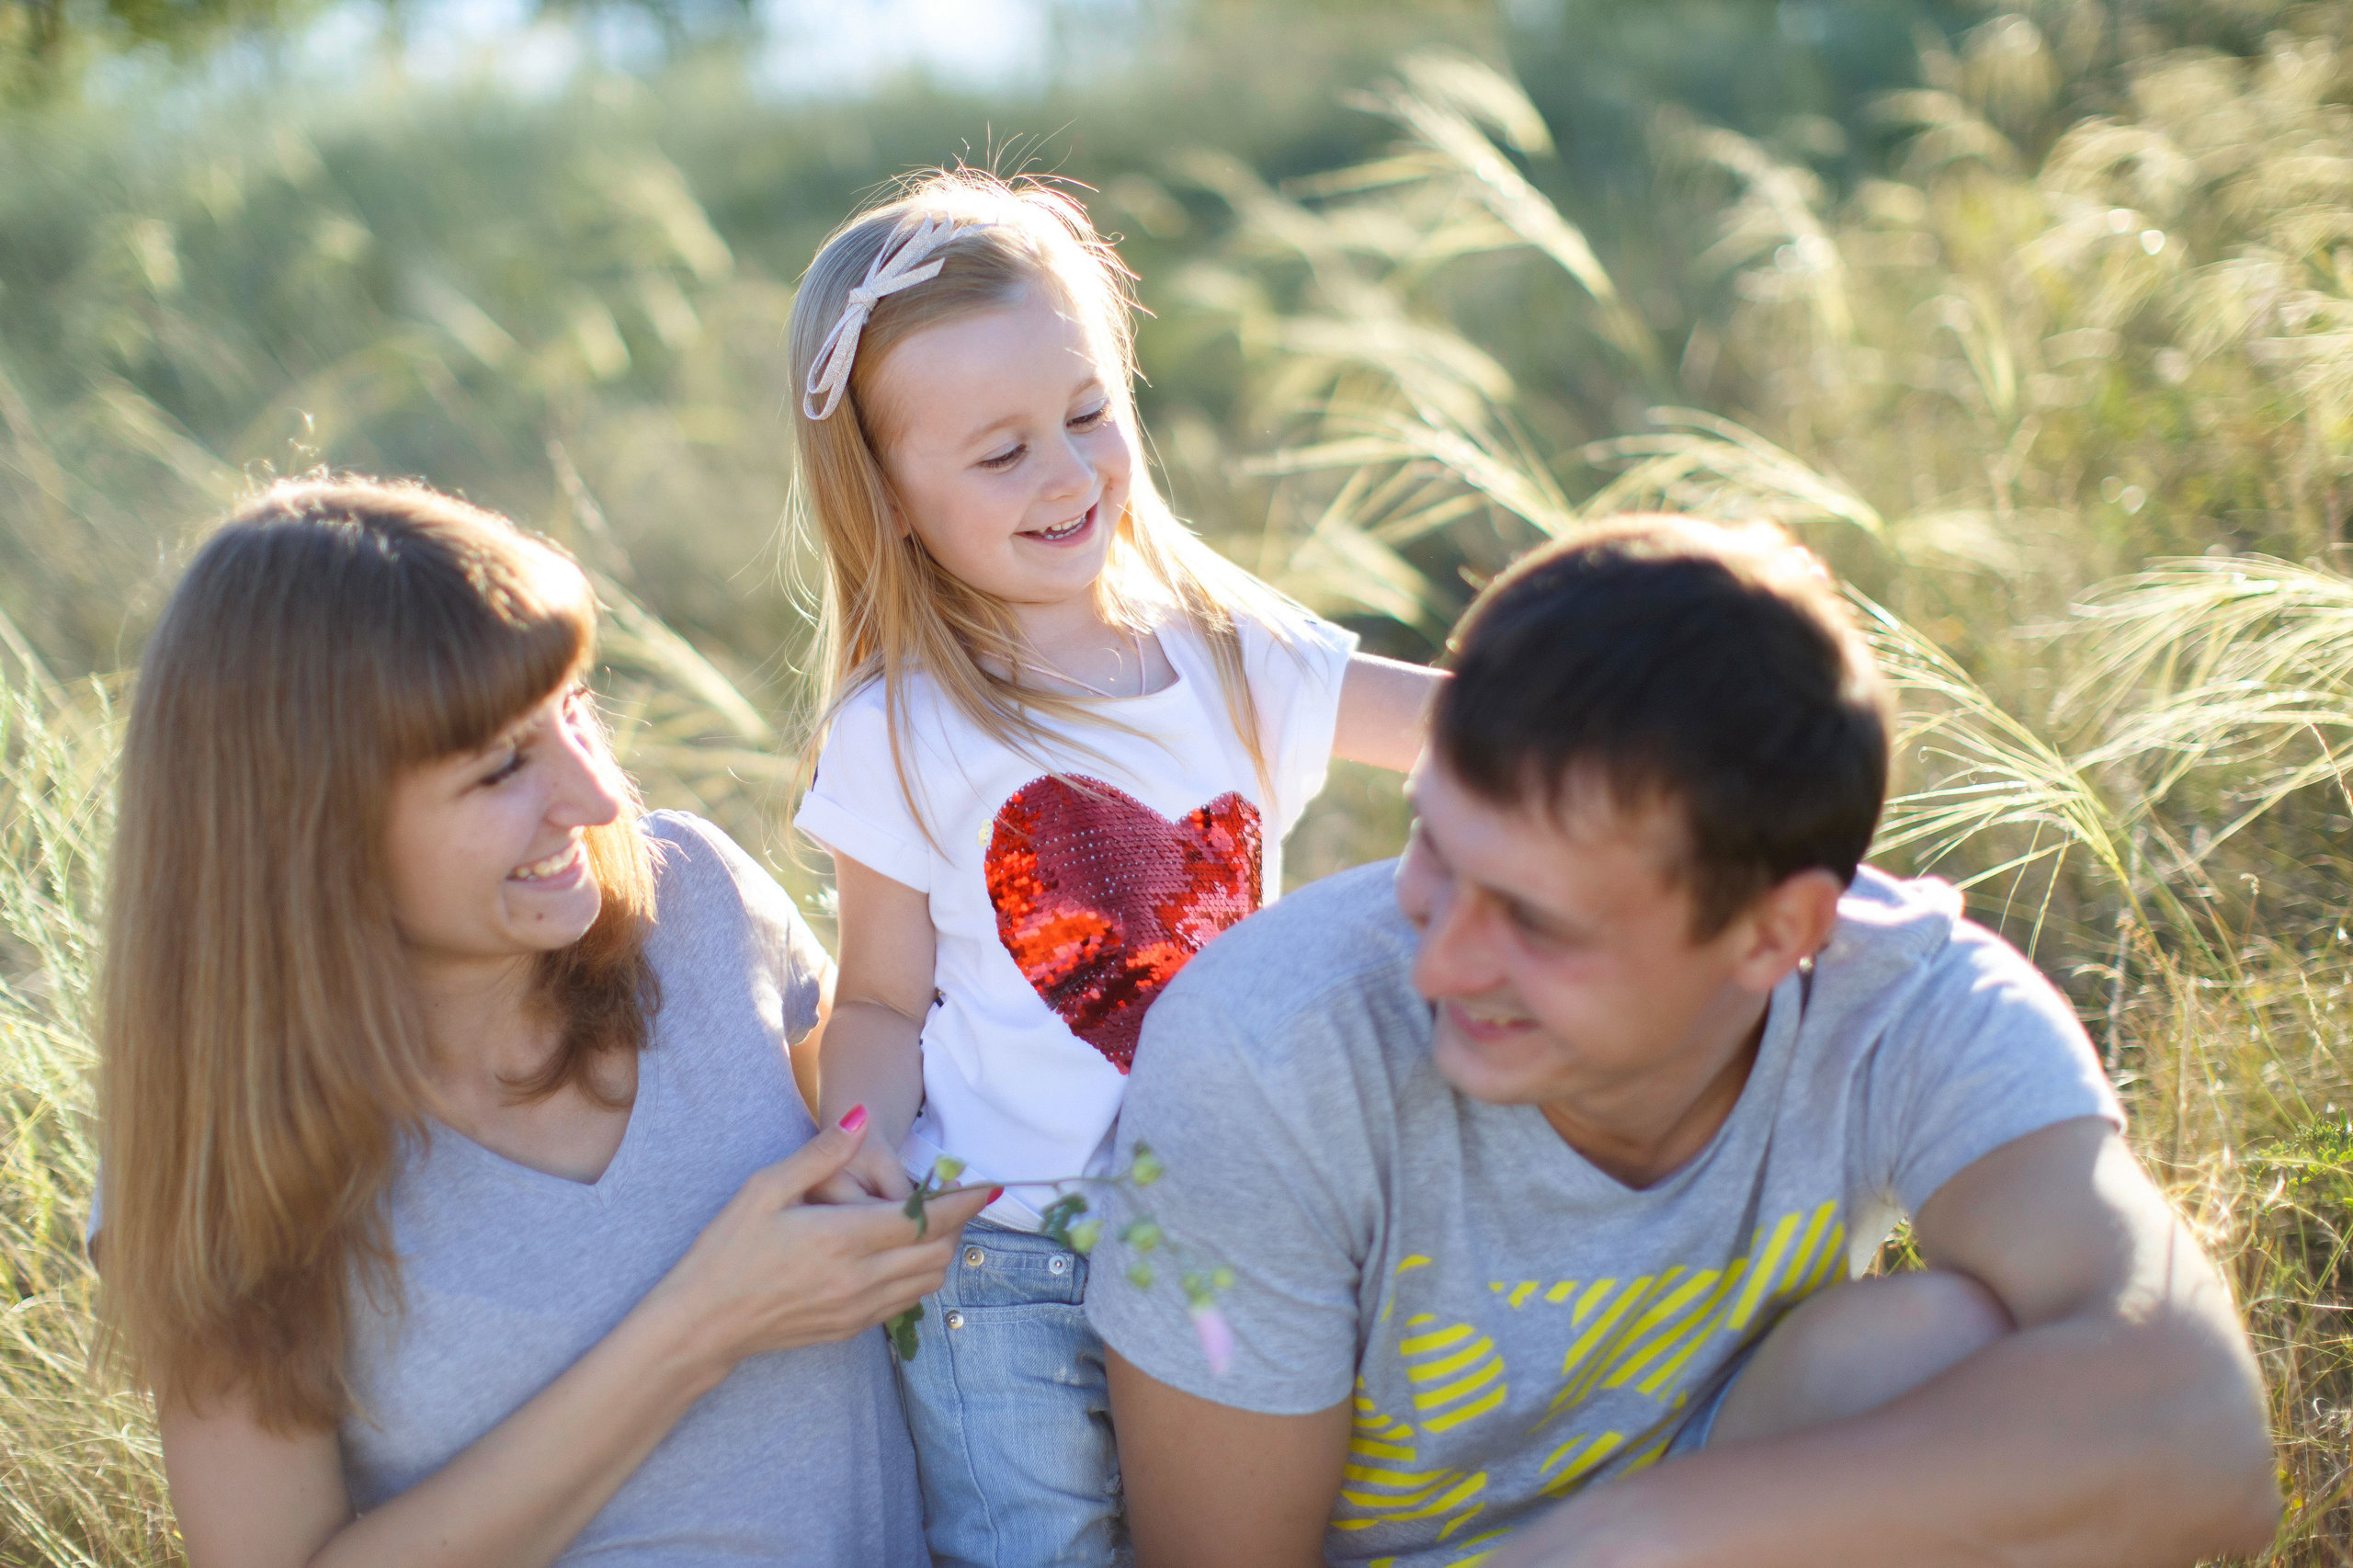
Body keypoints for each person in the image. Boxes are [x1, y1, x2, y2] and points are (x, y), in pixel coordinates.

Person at [1088, 516, 2279, 1568]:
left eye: (1540, 921)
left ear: (1778, 934)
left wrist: (1638, 1542)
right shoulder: (1265, 1051)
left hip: (1708, 1529)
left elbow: (2203, 1434)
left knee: (1942, 1347)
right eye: (1437, 851)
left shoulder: (1902, 1001)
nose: (1442, 960)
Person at [93, 479, 993, 1568]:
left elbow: (884, 1111)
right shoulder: (214, 1159)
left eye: (572, 711)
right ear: (305, 834)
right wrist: (703, 1323)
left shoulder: (697, 903)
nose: (595, 795)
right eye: (501, 766)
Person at [784, 169, 1443, 1566]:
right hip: (1000, 1258)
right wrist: (856, 1163)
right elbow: (886, 999)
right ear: (890, 495)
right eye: (1001, 450)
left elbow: (1464, 721)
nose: (1069, 473)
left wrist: (1648, 694)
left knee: (1261, 1535)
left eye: (1088, 414)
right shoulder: (900, 726)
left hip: (1226, 1224)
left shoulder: (1223, 649)